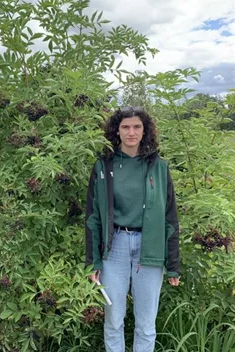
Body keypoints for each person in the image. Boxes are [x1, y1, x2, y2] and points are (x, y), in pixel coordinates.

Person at [85, 106, 180, 352]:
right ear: (116, 131)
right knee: (113, 320)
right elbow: (93, 216)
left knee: (146, 324)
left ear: (144, 130)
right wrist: (92, 261)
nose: (131, 132)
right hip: (114, 247)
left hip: (149, 247)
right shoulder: (103, 166)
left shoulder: (159, 167)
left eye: (137, 126)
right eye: (125, 126)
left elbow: (170, 217)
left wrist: (173, 264)